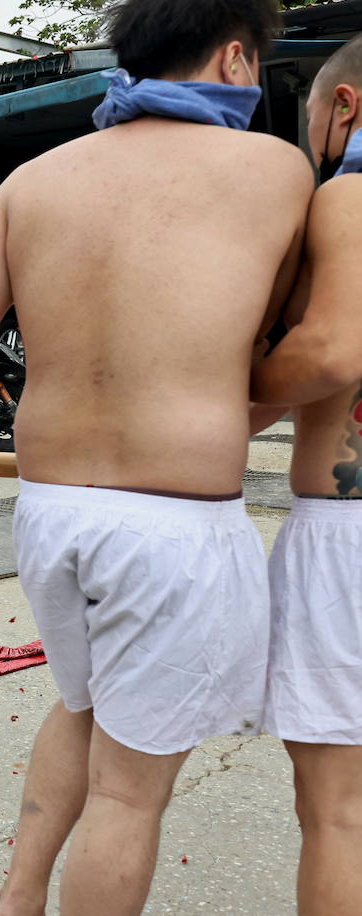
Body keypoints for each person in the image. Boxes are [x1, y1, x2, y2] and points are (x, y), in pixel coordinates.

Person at [0, 2, 312, 913]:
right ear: (235, 56)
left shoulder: (34, 179)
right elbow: (296, 341)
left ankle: (19, 899)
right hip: (171, 525)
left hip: (53, 512)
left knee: (83, 708)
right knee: (129, 794)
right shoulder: (273, 169)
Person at [250, 35, 362, 915]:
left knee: (339, 815)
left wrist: (216, 416)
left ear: (346, 106)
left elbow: (328, 351)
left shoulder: (347, 196)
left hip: (349, 533)